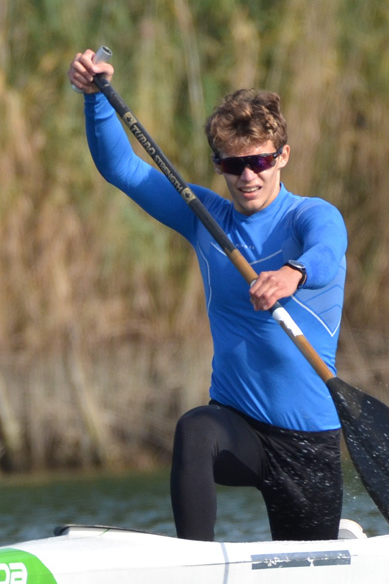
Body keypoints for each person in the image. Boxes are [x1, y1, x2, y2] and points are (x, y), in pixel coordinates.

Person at [69, 49, 349, 541]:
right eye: (233, 164)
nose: (248, 176)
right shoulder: (207, 218)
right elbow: (124, 170)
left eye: (260, 161)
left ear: (282, 156)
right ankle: (191, 561)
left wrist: (292, 274)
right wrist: (96, 100)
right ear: (219, 164)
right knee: (195, 429)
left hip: (308, 441)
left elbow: (328, 251)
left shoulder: (310, 215)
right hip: (238, 426)